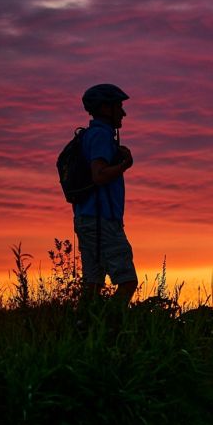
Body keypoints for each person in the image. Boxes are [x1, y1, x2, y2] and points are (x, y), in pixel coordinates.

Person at [74, 83, 137, 304]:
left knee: (93, 285)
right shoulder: (100, 135)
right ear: (104, 108)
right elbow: (99, 175)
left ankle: (83, 329)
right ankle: (111, 327)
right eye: (118, 106)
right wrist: (124, 165)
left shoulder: (90, 135)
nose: (123, 112)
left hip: (87, 218)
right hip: (102, 219)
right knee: (127, 281)